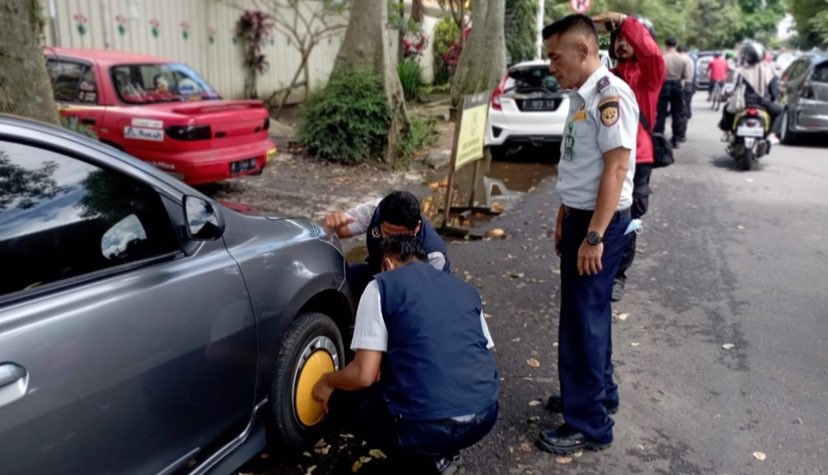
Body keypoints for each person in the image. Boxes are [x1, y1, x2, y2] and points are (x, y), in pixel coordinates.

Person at [312, 235, 499, 474]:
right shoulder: (464, 288)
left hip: (427, 426)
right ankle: (444, 453)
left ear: (387, 264)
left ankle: (420, 459)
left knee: (346, 397)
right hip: (485, 414)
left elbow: (363, 375)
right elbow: (482, 350)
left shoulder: (381, 285)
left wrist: (328, 380)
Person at [537, 13, 637, 455]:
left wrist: (593, 235)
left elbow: (617, 168)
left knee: (583, 322)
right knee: (588, 315)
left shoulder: (607, 95)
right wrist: (565, 212)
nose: (551, 66)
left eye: (556, 57)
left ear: (583, 51)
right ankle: (596, 391)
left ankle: (589, 423)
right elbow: (583, 162)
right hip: (583, 215)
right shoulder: (582, 95)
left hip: (600, 222)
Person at [594, 12, 665, 303]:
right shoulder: (606, 76)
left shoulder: (650, 76)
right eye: (617, 39)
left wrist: (624, 21)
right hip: (608, 156)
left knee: (629, 217)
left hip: (640, 158)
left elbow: (651, 53)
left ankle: (618, 274)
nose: (622, 43)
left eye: (627, 39)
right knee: (602, 212)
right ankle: (599, 263)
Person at [324, 191, 450, 298]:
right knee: (338, 278)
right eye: (388, 233)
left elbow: (425, 300)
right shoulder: (375, 210)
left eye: (401, 236)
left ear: (416, 228)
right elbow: (343, 230)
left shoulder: (434, 255)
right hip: (377, 272)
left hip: (415, 292)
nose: (393, 241)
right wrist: (336, 225)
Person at [719, 41, 782, 144]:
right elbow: (773, 92)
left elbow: (732, 88)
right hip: (764, 103)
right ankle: (772, 135)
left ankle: (726, 132)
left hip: (743, 103)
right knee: (780, 110)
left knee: (727, 109)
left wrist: (727, 94)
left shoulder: (740, 71)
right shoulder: (769, 69)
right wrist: (773, 99)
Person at [655, 37, 692, 148]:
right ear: (676, 45)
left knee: (661, 113)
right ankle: (676, 138)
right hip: (677, 85)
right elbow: (686, 76)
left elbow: (657, 73)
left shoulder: (662, 57)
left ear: (666, 45)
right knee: (677, 113)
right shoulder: (682, 59)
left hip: (663, 84)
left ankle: (659, 137)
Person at [678, 45, 696, 119]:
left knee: (682, 101)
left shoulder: (680, 59)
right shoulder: (691, 59)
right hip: (690, 82)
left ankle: (683, 115)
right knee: (688, 100)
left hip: (682, 82)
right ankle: (688, 113)